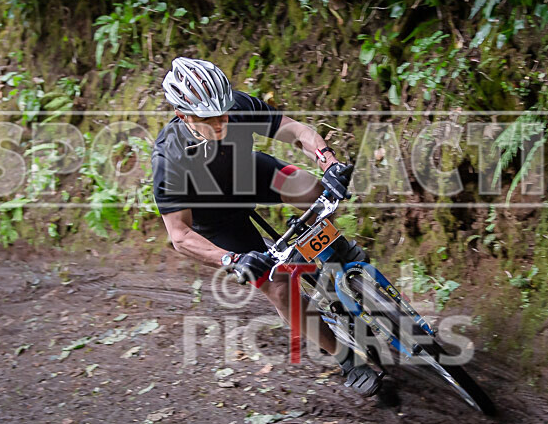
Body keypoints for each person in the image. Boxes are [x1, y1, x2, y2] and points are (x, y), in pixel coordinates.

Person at [152, 57, 381, 396]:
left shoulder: (237, 105)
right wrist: (232, 260)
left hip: (247, 174)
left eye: (225, 113)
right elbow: (180, 235)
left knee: (314, 192)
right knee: (278, 285)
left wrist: (328, 162)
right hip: (215, 219)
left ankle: (338, 255)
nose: (222, 123)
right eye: (209, 119)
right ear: (183, 116)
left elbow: (297, 132)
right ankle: (346, 357)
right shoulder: (169, 158)